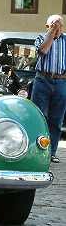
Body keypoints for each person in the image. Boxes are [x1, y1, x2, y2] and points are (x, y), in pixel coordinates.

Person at [31, 14, 66, 163]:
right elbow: (43, 51)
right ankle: (36, 151)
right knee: (39, 117)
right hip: (43, 80)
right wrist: (51, 33)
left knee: (56, 119)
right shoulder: (40, 38)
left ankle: (51, 152)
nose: (57, 27)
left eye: (59, 24)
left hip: (61, 82)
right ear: (47, 26)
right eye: (53, 24)